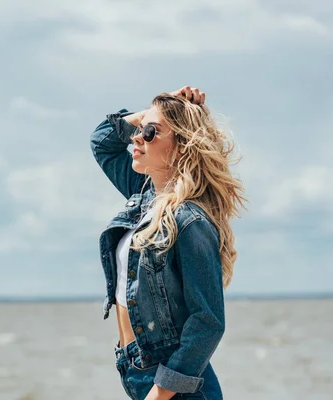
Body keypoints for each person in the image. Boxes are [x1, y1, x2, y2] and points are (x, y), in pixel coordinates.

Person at [90, 86, 246, 400]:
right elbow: (103, 141)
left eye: (150, 132)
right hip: (136, 368)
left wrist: (159, 394)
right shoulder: (145, 196)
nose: (137, 136)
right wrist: (154, 110)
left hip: (173, 384)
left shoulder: (189, 220)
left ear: (181, 145)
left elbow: (207, 321)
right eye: (140, 128)